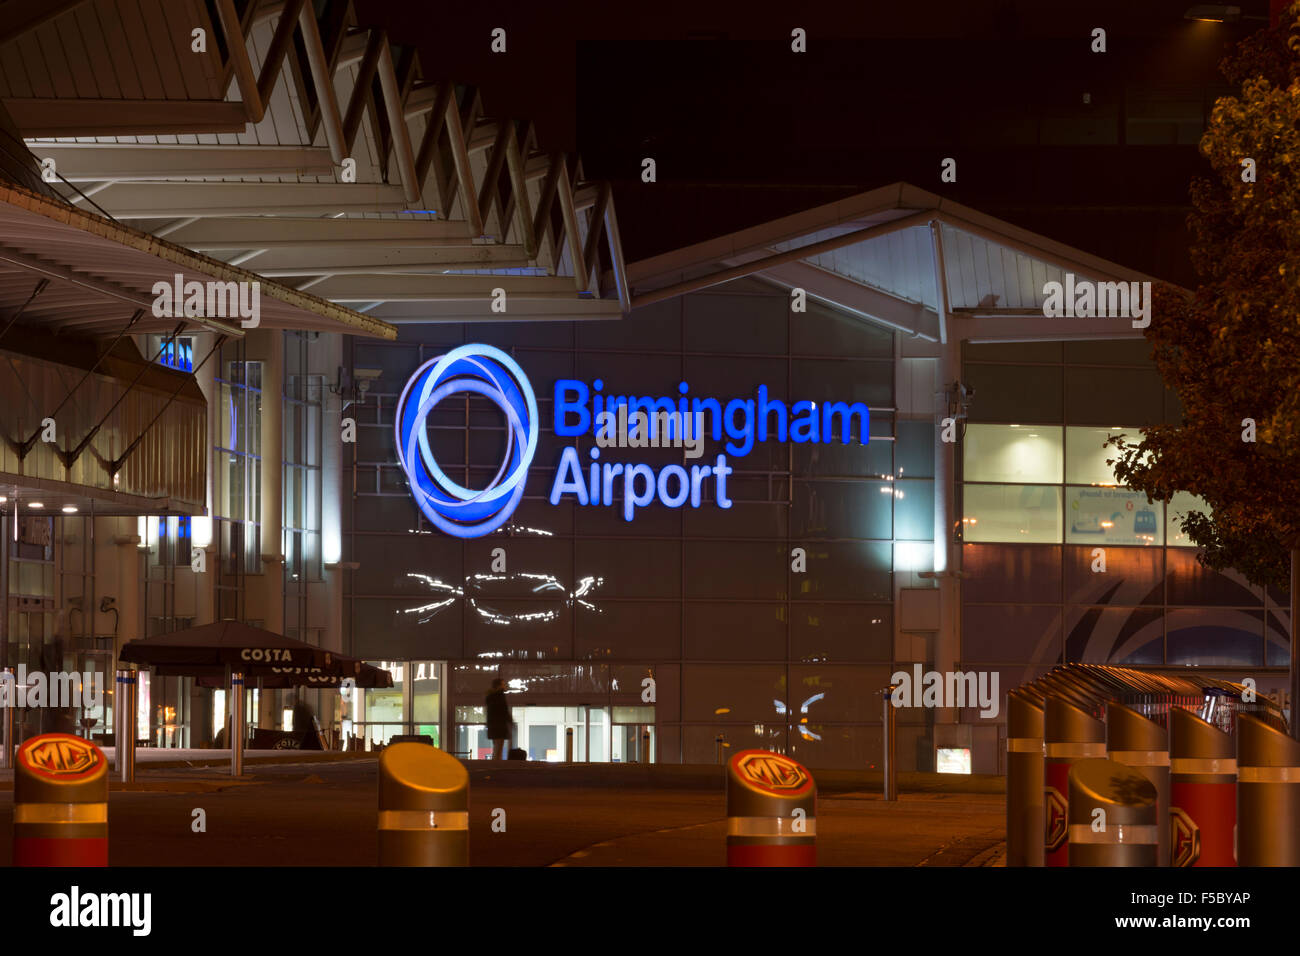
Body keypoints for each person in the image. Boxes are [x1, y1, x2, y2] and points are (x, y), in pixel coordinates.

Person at [485, 678, 510, 760]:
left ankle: (496, 764)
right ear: (499, 686)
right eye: (503, 684)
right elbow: (504, 710)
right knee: (498, 748)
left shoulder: (490, 697)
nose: (504, 686)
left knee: (497, 747)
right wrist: (509, 720)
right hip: (499, 726)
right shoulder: (499, 696)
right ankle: (496, 764)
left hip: (494, 726)